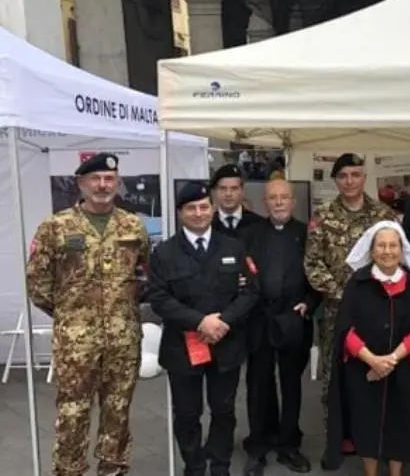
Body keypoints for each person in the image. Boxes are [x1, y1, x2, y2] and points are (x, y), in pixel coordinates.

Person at [26, 153, 149, 476]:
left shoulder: (133, 225)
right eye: (95, 178)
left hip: (123, 339)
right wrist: (71, 313)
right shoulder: (56, 226)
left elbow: (144, 273)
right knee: (72, 412)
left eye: (109, 179)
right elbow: (38, 284)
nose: (102, 185)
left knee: (118, 411)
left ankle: (113, 469)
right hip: (76, 343)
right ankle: (69, 471)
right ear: (80, 183)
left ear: (118, 183)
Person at [147, 182, 259, 476]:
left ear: (212, 208)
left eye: (204, 207)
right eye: (191, 208)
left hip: (226, 343)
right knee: (186, 414)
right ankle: (194, 466)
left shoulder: (234, 247)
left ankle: (220, 465)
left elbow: (249, 292)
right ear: (180, 212)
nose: (199, 213)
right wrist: (200, 322)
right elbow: (158, 298)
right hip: (183, 347)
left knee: (223, 411)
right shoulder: (165, 253)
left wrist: (222, 322)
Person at [322, 220, 410, 475]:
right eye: (381, 245)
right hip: (363, 369)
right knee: (366, 421)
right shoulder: (358, 282)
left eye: (393, 245)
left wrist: (390, 360)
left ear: (402, 250)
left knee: (399, 422)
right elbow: (346, 329)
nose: (387, 251)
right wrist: (372, 360)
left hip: (401, 368)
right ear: (372, 250)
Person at [303, 152, 397, 444]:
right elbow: (312, 263)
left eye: (355, 175)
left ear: (364, 177)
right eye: (343, 176)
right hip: (336, 310)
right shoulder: (323, 215)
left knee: (376, 366)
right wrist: (342, 294)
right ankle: (338, 434)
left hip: (377, 309)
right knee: (335, 371)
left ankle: (373, 431)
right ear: (335, 180)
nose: (349, 181)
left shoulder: (383, 215)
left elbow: (396, 258)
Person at [239, 179, 322, 475]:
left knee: (291, 385)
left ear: (293, 201)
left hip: (293, 318)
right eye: (272, 198)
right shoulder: (251, 234)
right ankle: (258, 446)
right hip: (259, 319)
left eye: (283, 197)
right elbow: (241, 272)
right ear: (264, 202)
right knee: (258, 384)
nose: (278, 202)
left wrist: (309, 303)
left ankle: (289, 446)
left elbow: (319, 274)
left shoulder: (308, 234)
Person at [210, 163, 265, 237]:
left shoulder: (259, 224)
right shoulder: (207, 225)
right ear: (216, 191)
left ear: (242, 191)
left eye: (234, 188)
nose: (228, 194)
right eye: (223, 188)